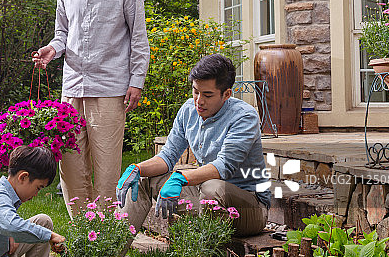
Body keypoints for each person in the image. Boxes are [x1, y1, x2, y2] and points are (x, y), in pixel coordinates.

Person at [32, 0, 150, 215]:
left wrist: (136, 81)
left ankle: (104, 234)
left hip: (110, 89)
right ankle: (82, 234)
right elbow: (62, 35)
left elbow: (138, 37)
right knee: (70, 166)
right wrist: (51, 50)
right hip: (72, 89)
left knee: (107, 167)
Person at [116, 54, 272, 238]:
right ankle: (110, 256)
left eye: (207, 95)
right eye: (195, 91)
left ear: (227, 94)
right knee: (143, 179)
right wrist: (137, 168)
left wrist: (180, 178)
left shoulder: (244, 117)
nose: (199, 101)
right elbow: (167, 157)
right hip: (206, 197)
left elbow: (225, 166)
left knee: (212, 188)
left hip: (249, 208)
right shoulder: (188, 110)